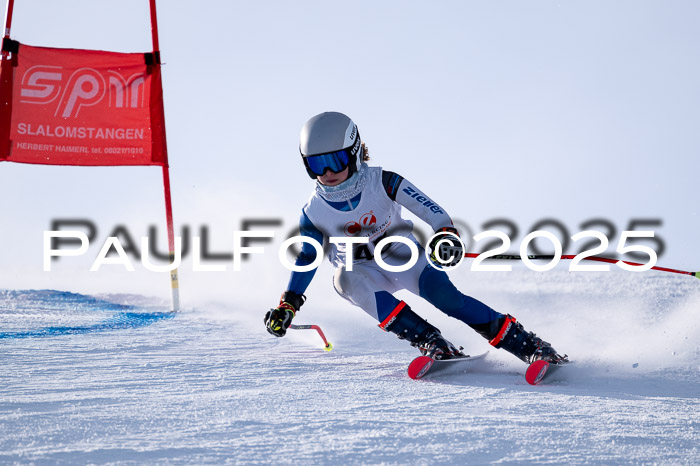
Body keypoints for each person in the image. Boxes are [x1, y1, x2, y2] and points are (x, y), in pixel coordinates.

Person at [265, 111, 567, 364]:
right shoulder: (314, 211)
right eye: (318, 164)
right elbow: (307, 257)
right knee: (343, 279)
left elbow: (432, 211)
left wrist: (445, 235)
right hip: (361, 272)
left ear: (354, 152)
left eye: (336, 160)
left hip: (401, 257)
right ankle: (431, 342)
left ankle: (531, 347)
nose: (328, 171)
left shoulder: (381, 182)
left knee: (447, 299)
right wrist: (288, 303)